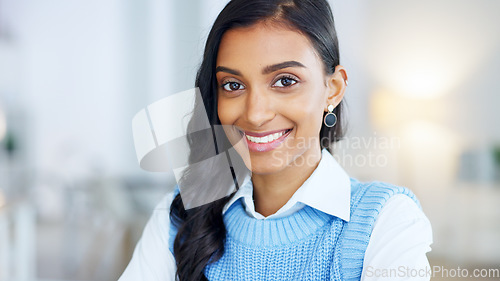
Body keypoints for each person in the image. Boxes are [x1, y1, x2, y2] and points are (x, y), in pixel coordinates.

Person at [119, 0, 433, 280]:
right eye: (232, 85)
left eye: (285, 81)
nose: (255, 115)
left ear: (333, 89)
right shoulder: (181, 214)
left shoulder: (385, 221)